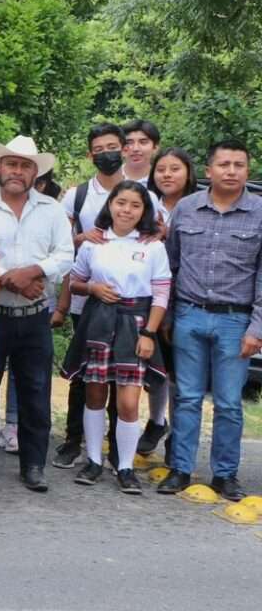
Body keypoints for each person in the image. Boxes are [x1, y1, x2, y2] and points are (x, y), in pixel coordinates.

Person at [0, 136, 73, 490]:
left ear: (35, 173)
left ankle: (33, 465)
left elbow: (65, 255)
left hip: (34, 315)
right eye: (11, 163)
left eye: (25, 166)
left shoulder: (52, 210)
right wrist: (12, 280)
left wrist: (34, 271)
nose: (17, 171)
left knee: (36, 391)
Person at [158, 140, 262, 501]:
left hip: (236, 321)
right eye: (224, 164)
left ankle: (225, 474)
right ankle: (180, 469)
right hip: (188, 314)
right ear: (208, 170)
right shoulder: (186, 209)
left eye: (239, 164)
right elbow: (169, 266)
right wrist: (168, 315)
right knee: (186, 397)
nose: (231, 171)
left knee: (230, 403)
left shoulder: (260, 212)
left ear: (247, 170)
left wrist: (257, 328)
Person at [59, 180, 169, 494]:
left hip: (135, 325)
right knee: (94, 394)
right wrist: (92, 288)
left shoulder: (152, 246)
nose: (127, 210)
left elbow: (161, 294)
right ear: (110, 204)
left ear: (144, 210)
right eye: (121, 203)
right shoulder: (94, 242)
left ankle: (124, 466)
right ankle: (93, 460)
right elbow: (76, 282)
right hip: (98, 323)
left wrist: (149, 332)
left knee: (129, 402)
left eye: (135, 205)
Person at [55, 122, 128, 469]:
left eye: (111, 146)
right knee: (82, 373)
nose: (106, 154)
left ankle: (115, 445)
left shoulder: (142, 191)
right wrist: (84, 238)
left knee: (119, 375)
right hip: (86, 299)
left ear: (124, 149)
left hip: (128, 306)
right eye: (98, 149)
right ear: (90, 154)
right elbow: (59, 244)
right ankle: (73, 440)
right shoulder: (77, 195)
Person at [139, 146, 198, 455]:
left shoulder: (198, 206)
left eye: (174, 169)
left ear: (189, 173)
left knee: (180, 372)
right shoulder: (146, 205)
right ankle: (155, 420)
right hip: (150, 298)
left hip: (186, 297)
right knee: (155, 368)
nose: (167, 175)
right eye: (161, 169)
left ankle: (179, 432)